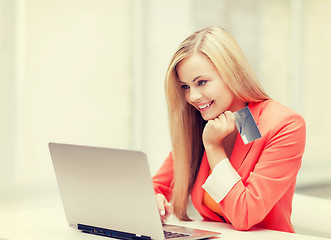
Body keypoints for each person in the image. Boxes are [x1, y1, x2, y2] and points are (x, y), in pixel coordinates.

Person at [152, 26, 306, 233]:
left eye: (202, 82)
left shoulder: (284, 125)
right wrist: (155, 200)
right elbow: (153, 188)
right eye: (185, 87)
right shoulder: (202, 123)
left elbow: (245, 214)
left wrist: (214, 147)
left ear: (231, 74)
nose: (193, 97)